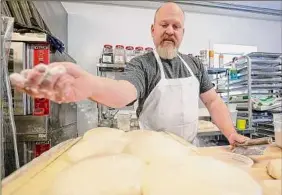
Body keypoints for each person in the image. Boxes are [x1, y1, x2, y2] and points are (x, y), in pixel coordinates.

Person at [10, 2, 248, 146]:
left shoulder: (194, 65)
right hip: (151, 154)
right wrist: (90, 86)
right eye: (164, 25)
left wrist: (230, 132)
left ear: (182, 33)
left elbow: (213, 101)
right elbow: (125, 91)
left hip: (190, 151)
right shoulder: (142, 65)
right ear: (153, 30)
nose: (169, 31)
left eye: (176, 26)